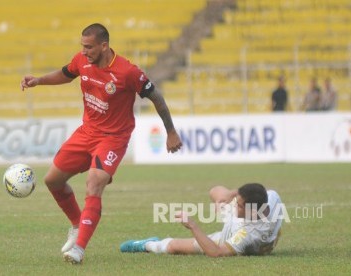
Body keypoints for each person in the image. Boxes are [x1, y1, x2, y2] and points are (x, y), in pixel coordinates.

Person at [20, 23, 182, 264]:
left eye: (89, 47)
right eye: (82, 47)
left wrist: (170, 132)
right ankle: (77, 225)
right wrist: (39, 81)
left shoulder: (128, 72)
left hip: (114, 138)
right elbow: (66, 74)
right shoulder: (81, 60)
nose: (84, 52)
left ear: (104, 46)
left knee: (94, 182)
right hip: (87, 132)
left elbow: (156, 97)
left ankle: (79, 249)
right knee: (52, 180)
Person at [120, 183, 283, 257]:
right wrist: (231, 195)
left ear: (251, 209)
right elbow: (257, 191)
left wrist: (192, 225)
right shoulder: (271, 197)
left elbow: (216, 252)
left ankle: (146, 244)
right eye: (237, 202)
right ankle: (225, 198)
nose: (235, 206)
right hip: (246, 224)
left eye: (239, 205)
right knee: (217, 193)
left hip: (225, 240)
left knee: (173, 246)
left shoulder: (248, 234)